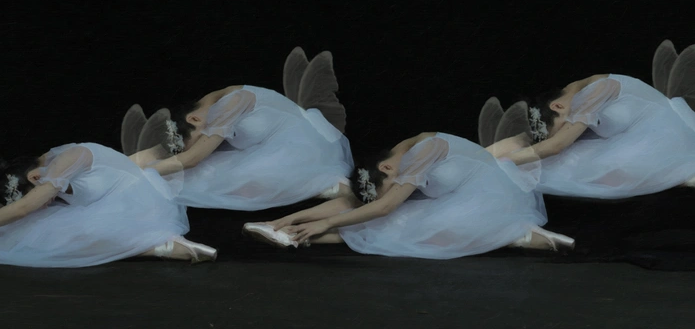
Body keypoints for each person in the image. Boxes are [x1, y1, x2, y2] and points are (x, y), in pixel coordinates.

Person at [242, 132, 574, 259]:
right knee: (371, 216)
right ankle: (281, 226)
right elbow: (360, 202)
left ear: (386, 169)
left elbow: (383, 207)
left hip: (484, 203)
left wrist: (324, 223)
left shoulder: (417, 156)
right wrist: (284, 217)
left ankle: (295, 236)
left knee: (387, 224)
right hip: (479, 196)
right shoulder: (404, 151)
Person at [487, 40, 695, 198]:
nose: (566, 127)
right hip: (661, 135)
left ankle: (692, 173)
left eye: (558, 125)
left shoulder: (593, 93)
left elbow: (556, 145)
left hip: (659, 140)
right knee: (535, 152)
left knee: (554, 161)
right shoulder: (582, 89)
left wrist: (503, 163)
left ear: (557, 105)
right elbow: (553, 129)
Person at [0, 142, 216, 266]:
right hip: (125, 207)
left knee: (41, 227)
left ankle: (161, 245)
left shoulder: (69, 159)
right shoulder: (47, 165)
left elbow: (22, 208)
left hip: (140, 208)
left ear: (34, 178)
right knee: (27, 221)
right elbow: (0, 211)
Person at [123, 47, 355, 210]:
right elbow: (160, 152)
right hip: (280, 145)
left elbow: (191, 158)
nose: (187, 148)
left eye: (188, 143)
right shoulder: (209, 106)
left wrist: (140, 175)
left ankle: (323, 183)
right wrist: (118, 167)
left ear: (193, 119)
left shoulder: (231, 103)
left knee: (195, 174)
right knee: (185, 171)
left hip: (304, 149)